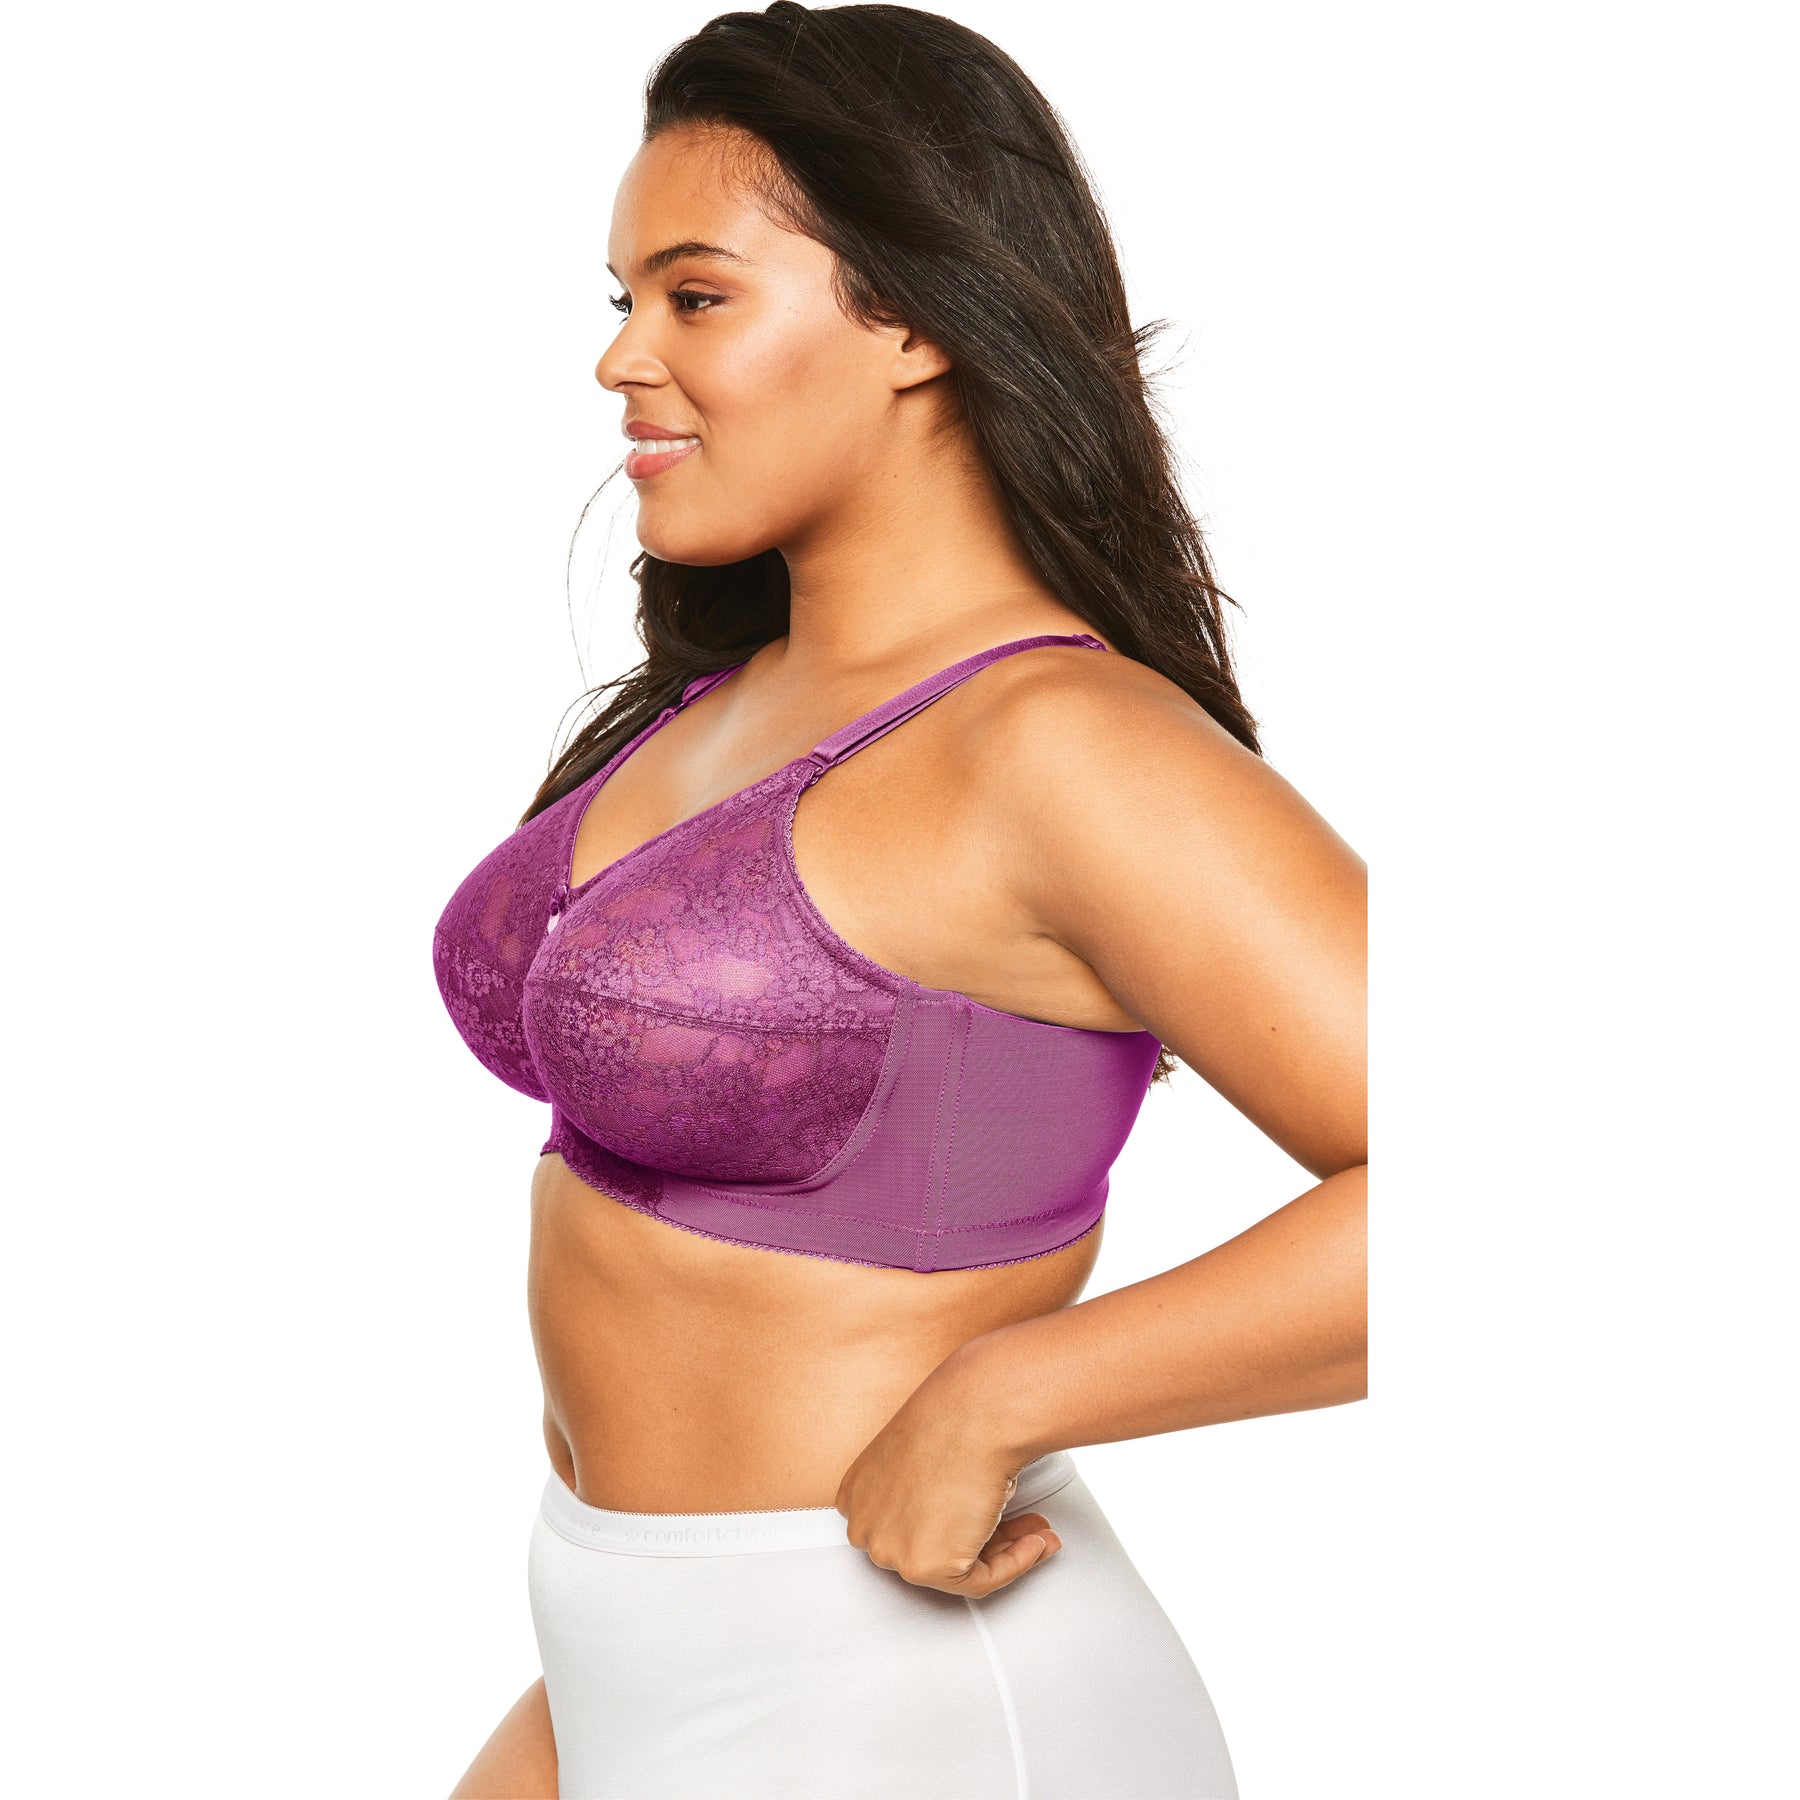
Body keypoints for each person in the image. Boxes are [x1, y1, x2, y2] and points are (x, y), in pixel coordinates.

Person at [436, 5, 1365, 1795]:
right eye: (621, 298)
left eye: (697, 297)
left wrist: (1003, 1395)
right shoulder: (729, 700)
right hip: (635, 1661)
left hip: (912, 1698)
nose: (623, 358)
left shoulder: (1065, 747)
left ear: (919, 318)